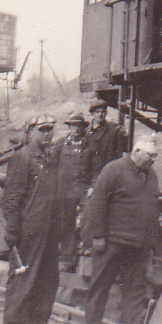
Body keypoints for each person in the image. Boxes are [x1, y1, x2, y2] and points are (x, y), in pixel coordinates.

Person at [80, 137, 161, 324]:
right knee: (101, 285)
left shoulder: (151, 175)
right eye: (150, 155)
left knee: (135, 287)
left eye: (155, 156)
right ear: (136, 152)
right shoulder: (113, 170)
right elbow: (97, 204)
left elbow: (152, 207)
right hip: (112, 242)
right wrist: (97, 236)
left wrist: (151, 241)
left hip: (138, 244)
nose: (153, 160)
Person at [0, 114, 70, 324]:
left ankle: (38, 322)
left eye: (50, 129)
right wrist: (12, 229)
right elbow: (12, 196)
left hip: (50, 227)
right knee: (24, 274)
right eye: (42, 129)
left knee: (48, 277)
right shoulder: (22, 157)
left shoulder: (52, 156)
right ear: (30, 132)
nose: (47, 133)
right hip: (29, 227)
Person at [56, 112, 93, 272]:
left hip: (84, 188)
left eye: (79, 126)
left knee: (88, 217)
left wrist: (93, 186)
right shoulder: (61, 144)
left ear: (83, 128)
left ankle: (86, 252)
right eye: (74, 126)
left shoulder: (90, 145)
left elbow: (97, 168)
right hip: (65, 189)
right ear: (69, 127)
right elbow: (52, 164)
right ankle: (68, 260)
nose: (77, 129)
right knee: (66, 223)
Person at [85, 99, 129, 181]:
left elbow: (124, 149)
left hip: (107, 170)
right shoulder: (86, 131)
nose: (100, 114)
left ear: (106, 113)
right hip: (90, 171)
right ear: (92, 113)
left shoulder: (114, 129)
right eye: (97, 112)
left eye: (103, 112)